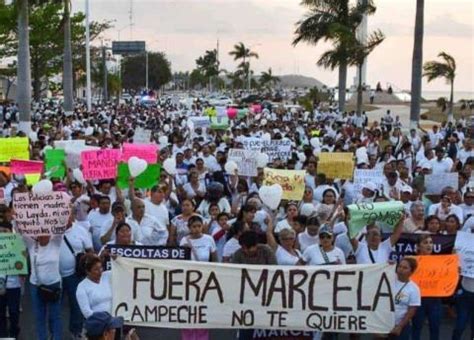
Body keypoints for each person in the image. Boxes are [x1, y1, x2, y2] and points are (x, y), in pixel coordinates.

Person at [411, 235, 441, 340]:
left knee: (435, 328)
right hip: (418, 300)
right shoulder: (411, 262)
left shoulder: (439, 262)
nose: (429, 245)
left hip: (435, 299)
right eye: (425, 242)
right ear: (418, 246)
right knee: (416, 328)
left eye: (430, 242)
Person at [0, 221, 22, 338]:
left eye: (5, 231)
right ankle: (2, 335)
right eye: (1, 232)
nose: (3, 234)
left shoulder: (17, 245)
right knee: (1, 312)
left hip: (14, 285)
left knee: (14, 312)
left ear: (10, 232)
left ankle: (14, 332)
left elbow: (22, 266)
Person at [390, 257, 421, 340]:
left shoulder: (414, 289)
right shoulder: (387, 279)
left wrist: (400, 326)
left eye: (405, 268)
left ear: (412, 272)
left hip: (400, 325)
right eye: (399, 266)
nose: (401, 269)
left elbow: (412, 310)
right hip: (383, 324)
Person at [76, 254, 113, 320]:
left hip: (114, 320)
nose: (100, 271)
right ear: (88, 271)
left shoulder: (107, 276)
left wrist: (116, 260)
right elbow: (86, 312)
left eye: (101, 267)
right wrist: (103, 321)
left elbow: (122, 270)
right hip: (97, 323)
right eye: (96, 269)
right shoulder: (82, 287)